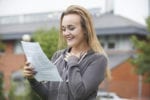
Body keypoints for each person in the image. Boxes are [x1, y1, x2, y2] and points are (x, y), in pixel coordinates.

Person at [23, 5, 110, 100]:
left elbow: (79, 94)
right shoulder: (58, 56)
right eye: (63, 29)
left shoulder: (98, 59)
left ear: (85, 29)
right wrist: (32, 79)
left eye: (71, 28)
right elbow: (48, 95)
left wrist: (72, 62)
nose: (66, 33)